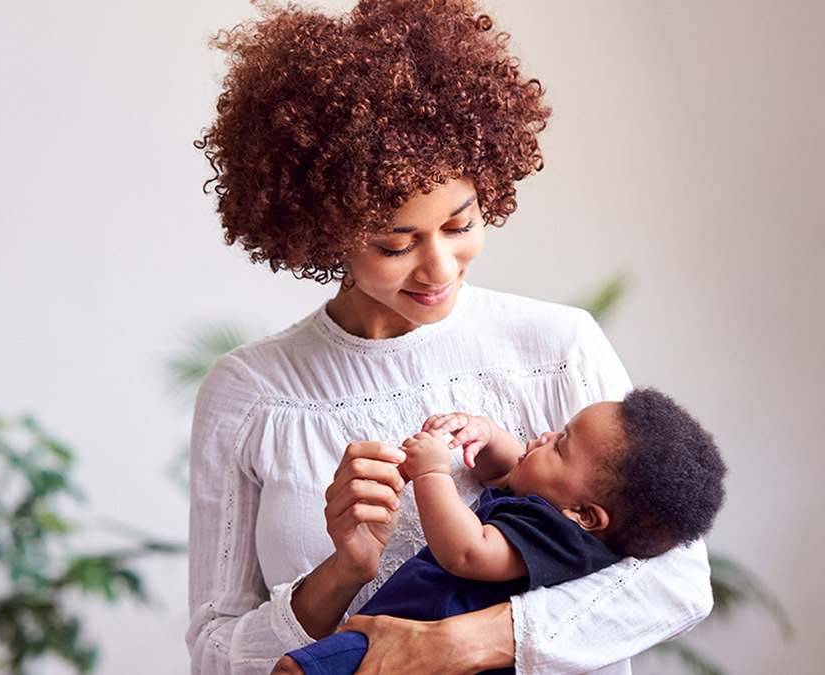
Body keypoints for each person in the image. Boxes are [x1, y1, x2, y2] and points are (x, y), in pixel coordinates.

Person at [187, 1, 713, 673]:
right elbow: (213, 653)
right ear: (320, 228)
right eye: (395, 242)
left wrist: (454, 644)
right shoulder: (251, 395)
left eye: (460, 225)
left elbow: (674, 583)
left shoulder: (558, 346)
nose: (439, 268)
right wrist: (342, 569)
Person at [275, 389, 727, 675]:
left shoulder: (560, 540)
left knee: (296, 669)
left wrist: (433, 472)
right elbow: (511, 469)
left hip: (416, 635)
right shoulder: (558, 509)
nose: (545, 435)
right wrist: (486, 434)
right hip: (407, 637)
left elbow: (468, 553)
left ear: (586, 516)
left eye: (562, 444)